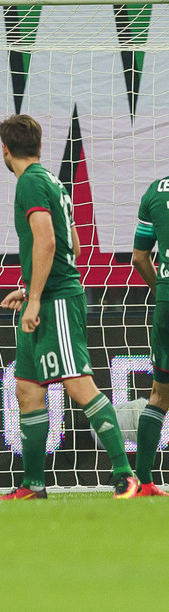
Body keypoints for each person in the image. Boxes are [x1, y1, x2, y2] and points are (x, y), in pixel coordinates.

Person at [0, 114, 139, 500]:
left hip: (55, 300)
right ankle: (33, 485)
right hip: (49, 293)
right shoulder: (53, 181)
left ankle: (127, 477)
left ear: (6, 150)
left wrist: (37, 297)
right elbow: (73, 240)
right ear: (38, 146)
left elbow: (47, 243)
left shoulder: (29, 183)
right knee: (27, 388)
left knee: (78, 384)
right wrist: (30, 290)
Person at [132, 176, 169, 497]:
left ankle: (143, 482)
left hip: (167, 305)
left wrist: (163, 293)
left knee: (159, 395)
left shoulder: (156, 192)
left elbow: (139, 257)